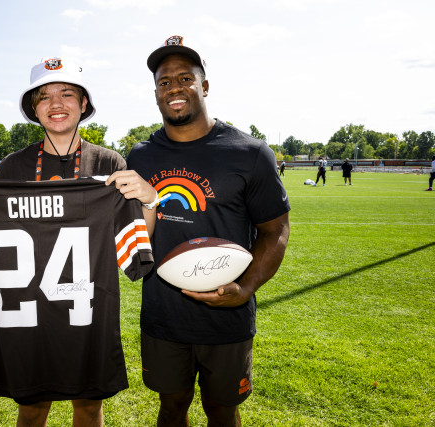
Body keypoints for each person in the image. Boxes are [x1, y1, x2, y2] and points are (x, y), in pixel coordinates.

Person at [0, 56, 156, 427]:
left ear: (84, 104)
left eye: (66, 94)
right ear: (33, 107)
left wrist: (149, 201)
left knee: (89, 406)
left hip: (86, 312)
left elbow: (135, 244)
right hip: (27, 315)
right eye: (43, 96)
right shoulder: (12, 167)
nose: (55, 104)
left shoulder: (110, 163)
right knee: (31, 408)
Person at [121, 35, 290, 426]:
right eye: (164, 82)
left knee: (222, 411)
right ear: (155, 93)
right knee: (171, 406)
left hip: (227, 316)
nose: (174, 89)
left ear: (205, 86)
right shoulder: (141, 156)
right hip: (164, 314)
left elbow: (275, 231)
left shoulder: (249, 153)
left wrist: (245, 289)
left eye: (185, 78)